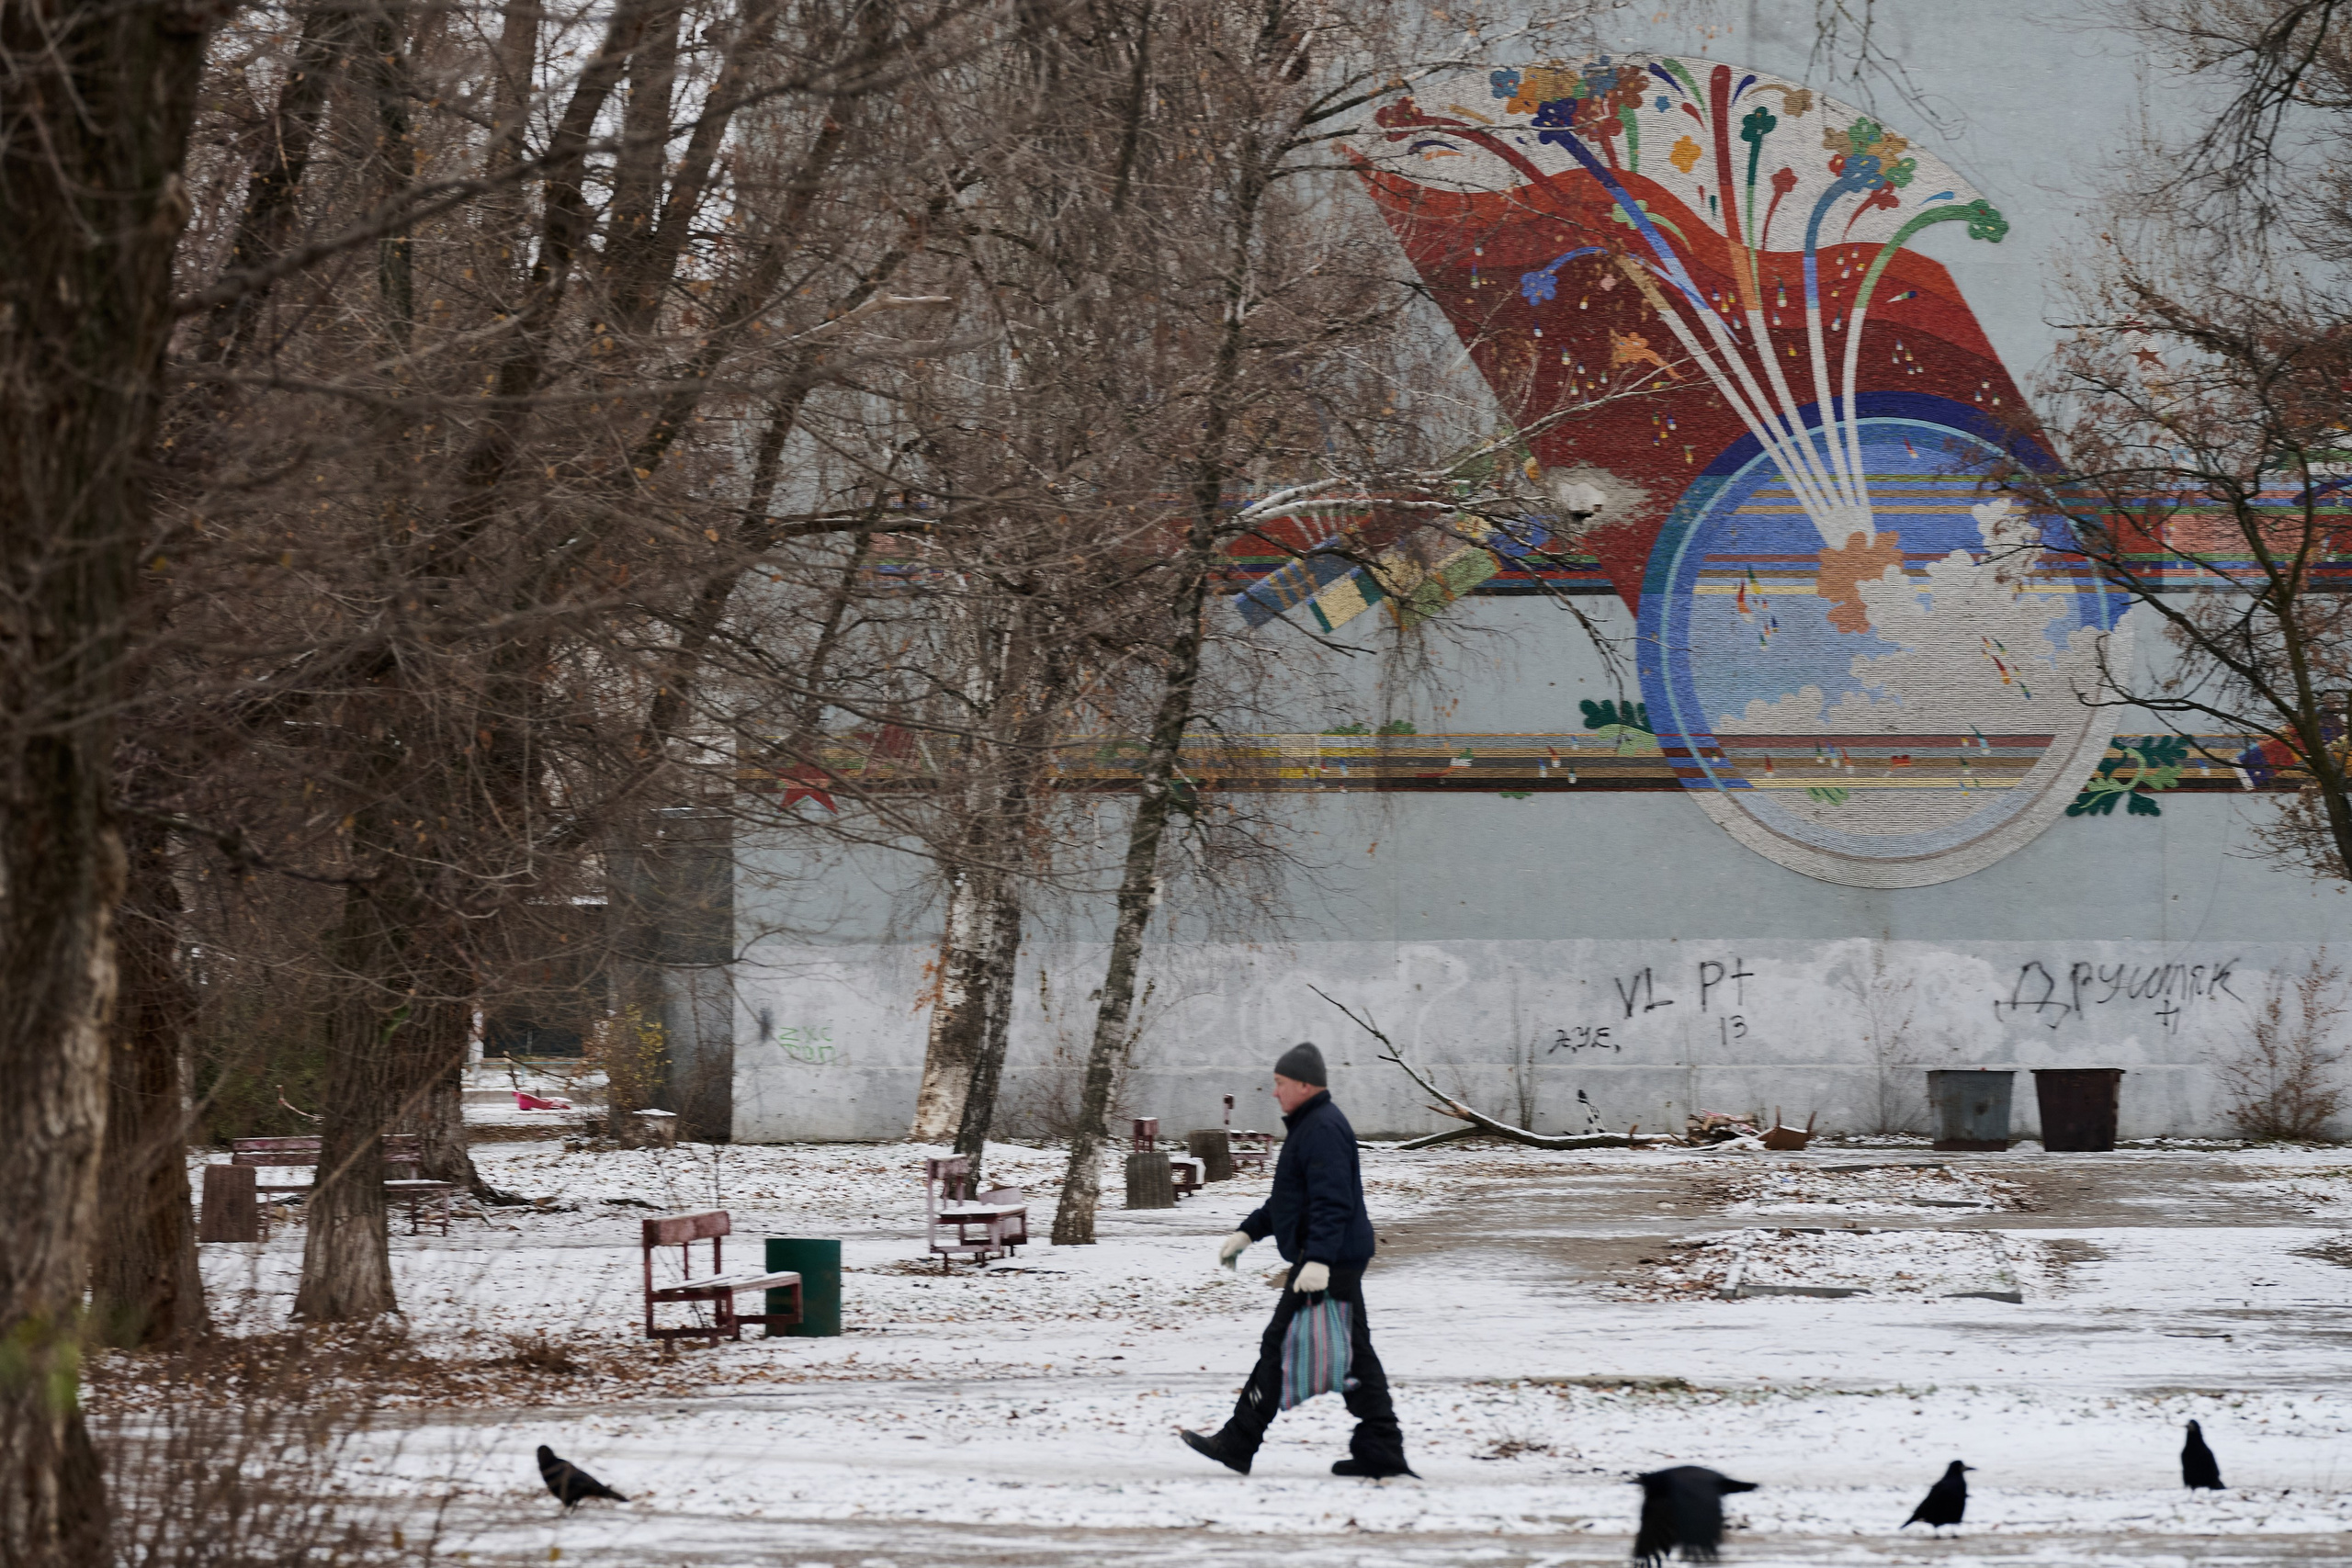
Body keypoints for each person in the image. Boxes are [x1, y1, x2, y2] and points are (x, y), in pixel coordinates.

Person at [1179, 1041, 1414, 1479]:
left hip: (1329, 1261)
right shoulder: (1311, 1125)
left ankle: (1238, 1441)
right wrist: (1248, 1231)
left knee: (1280, 1346)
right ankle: (1381, 1446)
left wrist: (1319, 1260)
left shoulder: (1322, 1128)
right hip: (1332, 1258)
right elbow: (1289, 1201)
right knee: (1354, 1355)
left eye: (1280, 1083)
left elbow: (1332, 1202)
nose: (1274, 1092)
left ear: (1305, 1085)